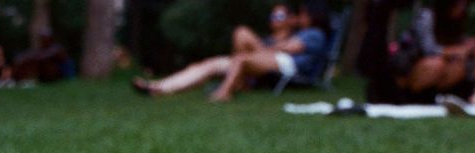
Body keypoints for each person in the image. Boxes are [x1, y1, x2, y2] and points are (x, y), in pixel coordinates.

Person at [132, 1, 329, 101]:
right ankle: (159, 87)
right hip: (262, 59)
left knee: (242, 46)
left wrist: (282, 35)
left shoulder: (314, 33)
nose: (274, 19)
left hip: (286, 65)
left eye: (280, 16)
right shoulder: (274, 37)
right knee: (208, 64)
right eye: (274, 16)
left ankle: (225, 92)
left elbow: (292, 48)